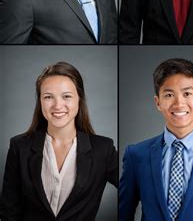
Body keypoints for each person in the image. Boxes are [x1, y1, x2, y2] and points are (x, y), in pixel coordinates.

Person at [119, 58, 193, 221]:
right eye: (169, 95)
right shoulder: (136, 155)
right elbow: (123, 214)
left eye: (187, 93)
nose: (179, 103)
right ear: (157, 102)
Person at [1, 62, 118, 220]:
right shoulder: (19, 146)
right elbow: (9, 212)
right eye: (48, 97)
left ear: (79, 99)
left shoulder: (103, 149)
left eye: (66, 96)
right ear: (40, 101)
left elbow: (134, 188)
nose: (57, 105)